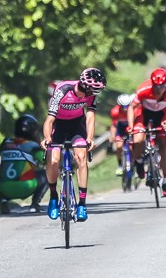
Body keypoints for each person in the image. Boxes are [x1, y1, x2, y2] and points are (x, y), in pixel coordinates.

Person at [42, 67, 105, 222]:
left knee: (81, 157)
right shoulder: (63, 90)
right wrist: (47, 138)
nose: (94, 94)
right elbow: (49, 120)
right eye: (93, 91)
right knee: (54, 159)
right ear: (85, 86)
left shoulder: (91, 95)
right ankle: (53, 197)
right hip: (59, 125)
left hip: (77, 125)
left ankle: (82, 204)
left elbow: (90, 117)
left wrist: (90, 138)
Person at [127, 67, 166, 198]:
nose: (158, 90)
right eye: (156, 86)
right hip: (144, 114)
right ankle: (139, 161)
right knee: (137, 139)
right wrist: (130, 125)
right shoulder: (143, 89)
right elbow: (131, 108)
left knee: (164, 146)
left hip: (162, 116)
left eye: (161, 87)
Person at [0, 114, 47, 214]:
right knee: (46, 174)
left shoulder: (6, 143)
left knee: (6, 182)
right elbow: (45, 160)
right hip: (25, 186)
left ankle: (3, 200)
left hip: (5, 188)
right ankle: (35, 204)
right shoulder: (32, 146)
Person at [109, 94, 134, 175]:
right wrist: (112, 136)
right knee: (119, 146)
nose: (125, 108)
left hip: (131, 128)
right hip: (120, 128)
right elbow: (113, 124)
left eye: (127, 106)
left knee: (132, 147)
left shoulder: (133, 110)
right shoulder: (115, 111)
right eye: (123, 106)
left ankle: (133, 164)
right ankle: (120, 165)